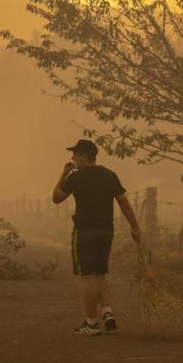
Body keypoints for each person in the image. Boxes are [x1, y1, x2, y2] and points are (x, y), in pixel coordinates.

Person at [53, 139, 141, 336]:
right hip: (106, 232)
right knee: (100, 273)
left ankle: (91, 323)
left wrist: (63, 174)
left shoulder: (76, 176)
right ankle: (108, 314)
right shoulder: (110, 175)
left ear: (84, 155)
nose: (72, 157)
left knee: (88, 277)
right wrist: (135, 227)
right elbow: (124, 202)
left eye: (75, 153)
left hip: (84, 231)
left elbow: (56, 197)